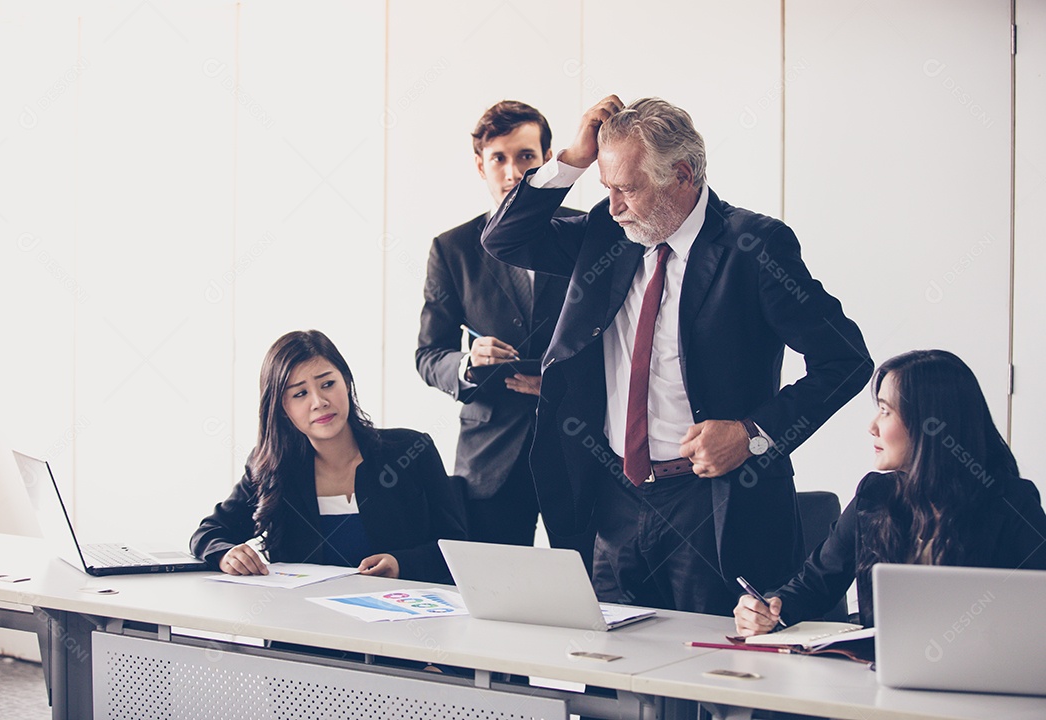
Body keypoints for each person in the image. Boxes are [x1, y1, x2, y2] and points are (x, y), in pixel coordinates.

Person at [482, 95, 872, 615]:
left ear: (682, 175)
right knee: (614, 659)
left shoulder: (755, 246)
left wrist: (753, 435)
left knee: (712, 660)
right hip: (615, 499)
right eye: (606, 187)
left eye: (627, 189)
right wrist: (572, 158)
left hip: (714, 505)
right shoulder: (607, 234)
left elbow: (845, 361)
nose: (614, 205)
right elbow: (505, 239)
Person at [735, 350, 1046, 634]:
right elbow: (813, 587)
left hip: (983, 672)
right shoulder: (874, 496)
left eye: (885, 411)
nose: (872, 426)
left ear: (930, 424)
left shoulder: (1011, 502)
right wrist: (767, 609)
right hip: (879, 671)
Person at [416, 100, 594, 570]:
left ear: (548, 158)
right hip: (490, 457)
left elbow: (617, 340)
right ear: (480, 165)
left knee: (595, 587)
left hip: (578, 447)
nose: (513, 172)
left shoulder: (587, 233)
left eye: (526, 157)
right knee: (495, 592)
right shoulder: (451, 249)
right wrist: (468, 362)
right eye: (499, 158)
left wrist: (564, 386)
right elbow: (428, 354)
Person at [192, 330, 467, 585]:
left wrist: (401, 564)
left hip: (402, 614)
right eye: (300, 393)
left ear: (346, 382)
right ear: (282, 408)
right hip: (303, 618)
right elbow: (209, 533)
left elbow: (457, 547)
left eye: (327, 384)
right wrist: (226, 555)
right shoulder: (272, 467)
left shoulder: (412, 450)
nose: (319, 402)